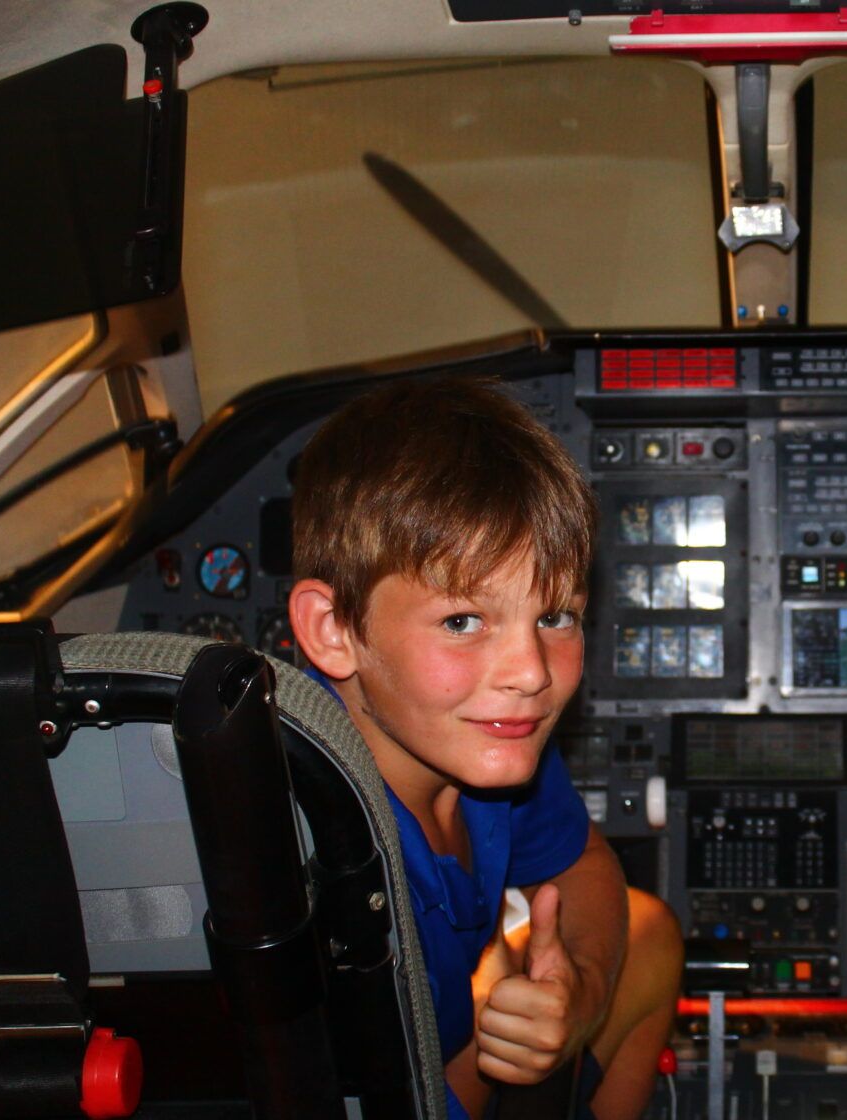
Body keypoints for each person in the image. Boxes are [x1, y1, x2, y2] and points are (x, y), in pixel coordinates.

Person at [287, 377, 681, 1120]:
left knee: (649, 931)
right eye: (464, 622)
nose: (530, 673)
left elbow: (580, 864)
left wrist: (581, 993)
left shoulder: (476, 740)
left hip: (432, 1050)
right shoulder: (310, 845)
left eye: (557, 615)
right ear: (333, 629)